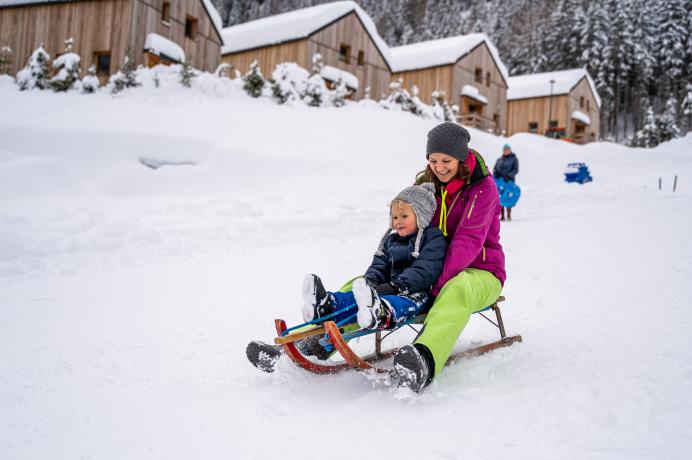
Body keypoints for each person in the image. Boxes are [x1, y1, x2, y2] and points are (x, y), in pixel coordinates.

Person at [246, 183, 447, 374]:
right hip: (386, 290)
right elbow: (378, 266)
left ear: (421, 216)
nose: (397, 221)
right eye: (394, 217)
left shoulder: (433, 239)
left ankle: (380, 311)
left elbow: (425, 270)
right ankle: (327, 305)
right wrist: (371, 284)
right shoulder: (390, 240)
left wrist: (395, 286)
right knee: (355, 298)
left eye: (404, 216)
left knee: (395, 303)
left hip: (416, 294)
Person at [393, 121, 506, 392]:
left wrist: (436, 286)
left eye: (446, 160)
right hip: (432, 268)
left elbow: (467, 241)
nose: (439, 167)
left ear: (461, 157)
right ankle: (319, 336)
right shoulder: (425, 184)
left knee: (458, 287)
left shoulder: (482, 188)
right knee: (376, 277)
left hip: (482, 272)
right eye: (433, 160)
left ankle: (425, 358)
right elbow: (407, 226)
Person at [492, 143, 519, 221]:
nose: (506, 151)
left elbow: (515, 169)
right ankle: (502, 216)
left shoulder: (514, 159)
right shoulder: (499, 159)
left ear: (510, 150)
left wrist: (509, 176)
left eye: (507, 150)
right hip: (500, 182)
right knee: (501, 197)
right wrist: (496, 174)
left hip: (509, 181)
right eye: (504, 150)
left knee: (508, 196)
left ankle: (509, 215)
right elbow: (495, 169)